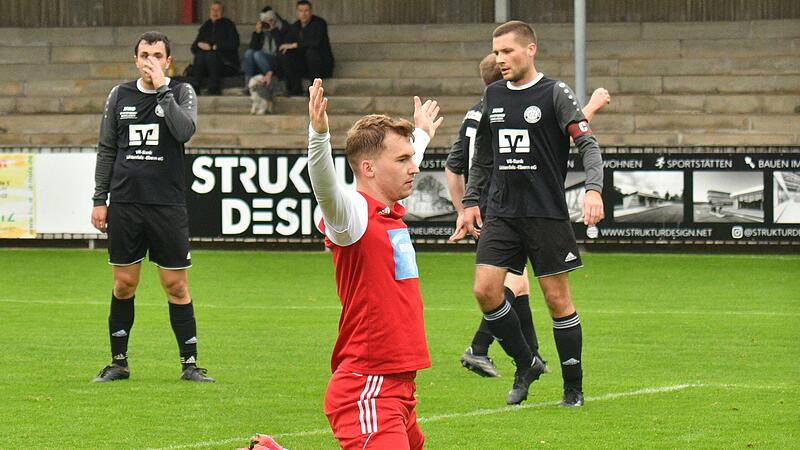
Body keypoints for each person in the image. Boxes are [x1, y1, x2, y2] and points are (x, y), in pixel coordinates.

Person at [452, 21, 605, 407]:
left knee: (556, 301)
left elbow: (588, 145)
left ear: (531, 49)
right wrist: (471, 201)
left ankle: (573, 388)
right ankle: (527, 363)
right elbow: (484, 155)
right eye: (496, 52)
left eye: (508, 51)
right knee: (485, 291)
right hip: (502, 213)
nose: (500, 59)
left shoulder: (554, 93)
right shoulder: (493, 94)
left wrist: (592, 189)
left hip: (545, 213)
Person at [307, 78, 443, 449]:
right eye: (403, 160)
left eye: (412, 158)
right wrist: (319, 136)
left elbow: (402, 156)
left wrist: (421, 136)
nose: (414, 167)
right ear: (367, 168)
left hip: (399, 385)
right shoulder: (352, 216)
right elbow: (325, 187)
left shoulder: (389, 212)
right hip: (367, 386)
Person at [90, 31, 214, 383]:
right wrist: (101, 199)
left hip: (167, 204)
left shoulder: (181, 92)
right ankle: (119, 362)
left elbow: (184, 130)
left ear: (168, 60)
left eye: (157, 55)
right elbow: (107, 149)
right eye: (145, 55)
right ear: (135, 59)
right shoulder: (119, 95)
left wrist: (163, 88)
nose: (150, 61)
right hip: (126, 202)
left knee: (175, 285)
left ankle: (189, 364)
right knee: (124, 284)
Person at [278, 1, 334, 95]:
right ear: (297, 12)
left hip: (320, 65)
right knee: (284, 53)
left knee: (311, 52)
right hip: (303, 66)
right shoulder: (295, 27)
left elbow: (316, 42)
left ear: (311, 11)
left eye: (306, 11)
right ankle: (295, 88)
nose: (303, 14)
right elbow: (287, 43)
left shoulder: (319, 24)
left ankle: (314, 89)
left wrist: (296, 45)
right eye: (300, 11)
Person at [190, 1, 240, 95]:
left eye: (218, 10)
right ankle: (195, 86)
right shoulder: (206, 26)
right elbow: (193, 48)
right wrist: (199, 45)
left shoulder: (228, 25)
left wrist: (215, 47)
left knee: (211, 55)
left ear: (222, 12)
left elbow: (234, 44)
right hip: (206, 64)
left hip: (226, 63)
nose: (215, 12)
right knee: (200, 55)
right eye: (213, 10)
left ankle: (214, 87)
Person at [243, 6, 289, 91]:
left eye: (270, 20)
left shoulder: (283, 28)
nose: (267, 23)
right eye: (265, 21)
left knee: (257, 54)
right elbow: (253, 47)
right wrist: (257, 33)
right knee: (249, 53)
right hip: (261, 61)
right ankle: (248, 85)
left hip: (277, 60)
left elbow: (282, 47)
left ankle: (272, 81)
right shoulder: (261, 31)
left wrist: (274, 30)